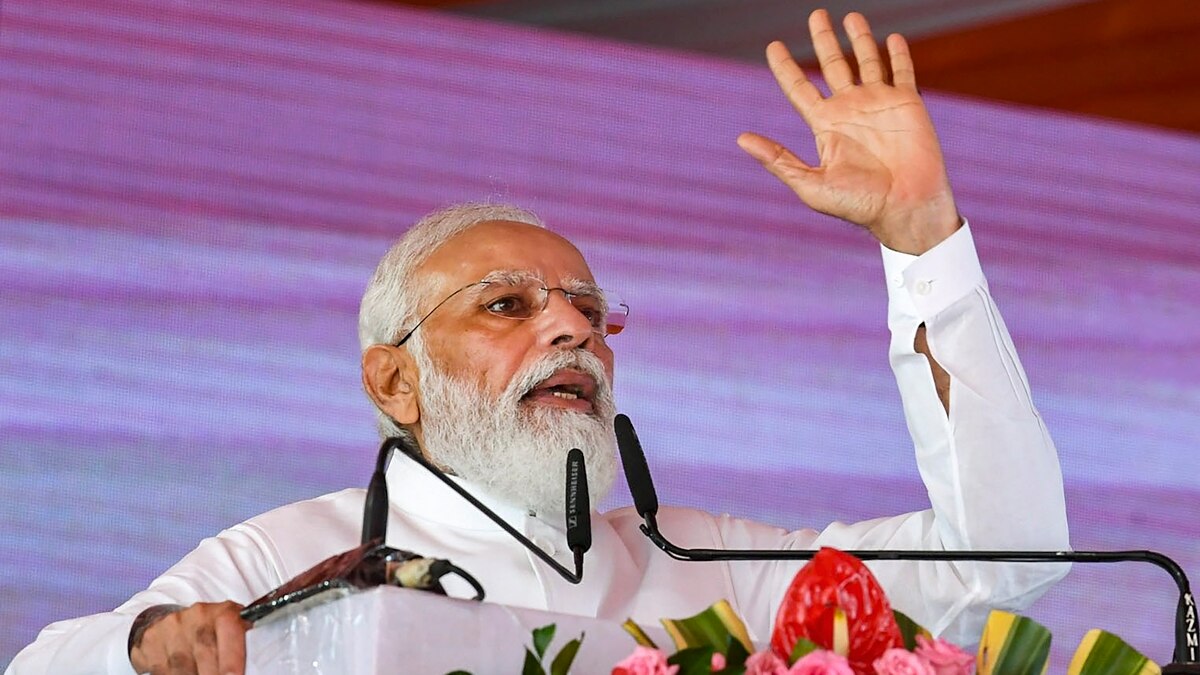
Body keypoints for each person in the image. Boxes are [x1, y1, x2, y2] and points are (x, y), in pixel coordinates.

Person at [8, 9, 1069, 675]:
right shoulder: (288, 560)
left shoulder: (703, 564)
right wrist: (144, 656)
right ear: (395, 381)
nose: (572, 328)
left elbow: (1011, 555)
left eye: (588, 309)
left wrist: (923, 241)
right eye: (508, 306)